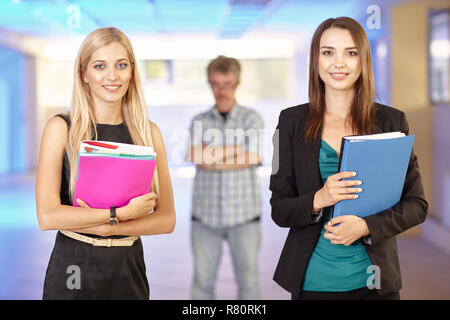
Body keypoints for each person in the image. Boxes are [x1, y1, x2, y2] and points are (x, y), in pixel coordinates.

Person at [269, 17, 428, 300]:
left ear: (363, 60)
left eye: (350, 53)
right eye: (328, 52)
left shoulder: (392, 121)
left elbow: (416, 205)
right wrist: (320, 197)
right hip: (313, 283)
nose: (338, 63)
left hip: (375, 284)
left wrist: (367, 226)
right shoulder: (291, 121)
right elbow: (280, 209)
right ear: (315, 60)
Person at [36, 27, 175, 300]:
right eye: (100, 66)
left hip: (128, 268)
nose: (112, 76)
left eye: (121, 65)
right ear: (83, 74)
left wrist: (109, 226)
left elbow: (166, 219)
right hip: (73, 267)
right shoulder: (61, 128)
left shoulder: (148, 133)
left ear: (132, 71)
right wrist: (119, 214)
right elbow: (48, 216)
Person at [186, 55, 264, 299]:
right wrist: (235, 149)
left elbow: (253, 158)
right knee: (202, 284)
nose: (221, 90)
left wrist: (212, 160)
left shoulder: (251, 119)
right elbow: (192, 155)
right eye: (216, 84)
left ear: (237, 83)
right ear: (210, 84)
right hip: (205, 219)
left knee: (249, 283)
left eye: (227, 84)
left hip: (245, 218)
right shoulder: (199, 120)